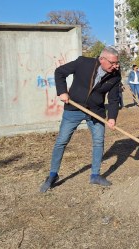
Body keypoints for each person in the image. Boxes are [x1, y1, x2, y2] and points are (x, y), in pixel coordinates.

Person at [40, 47, 122, 192]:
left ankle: (95, 175)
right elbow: (60, 72)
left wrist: (112, 118)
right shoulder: (83, 63)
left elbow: (114, 99)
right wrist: (62, 92)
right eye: (113, 63)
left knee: (98, 141)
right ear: (102, 59)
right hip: (74, 108)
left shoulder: (115, 75)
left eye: (117, 63)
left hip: (96, 111)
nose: (116, 66)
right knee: (62, 141)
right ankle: (53, 174)